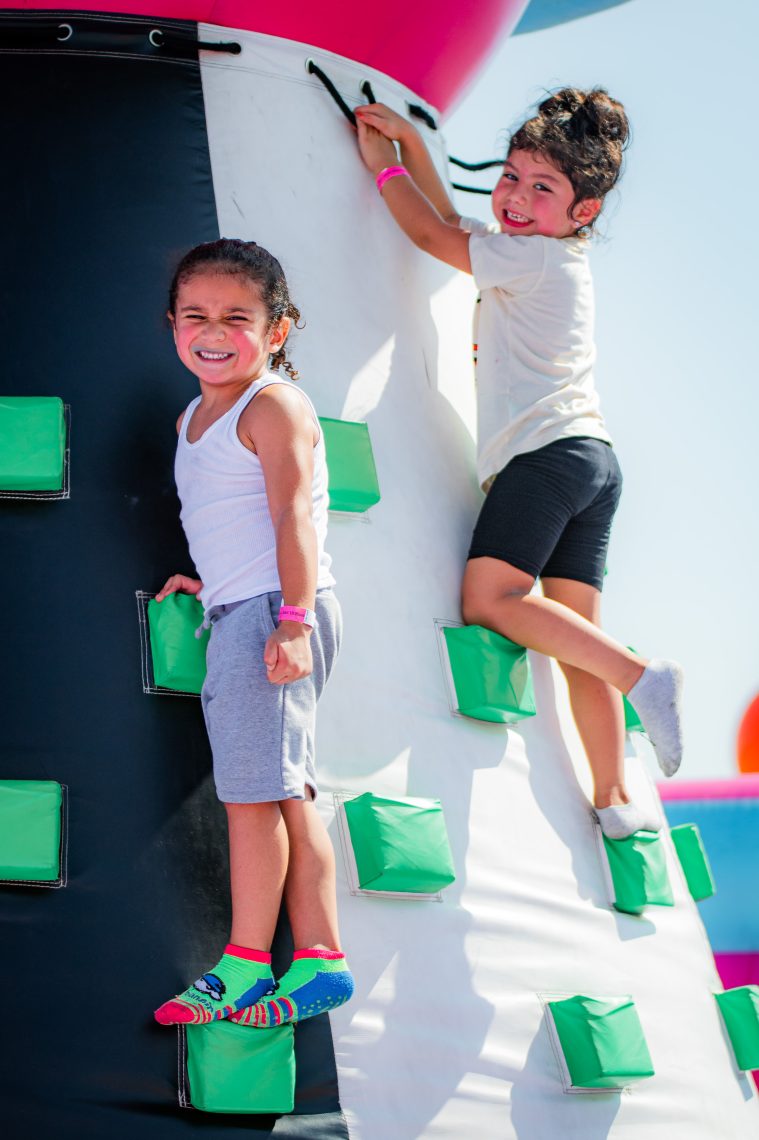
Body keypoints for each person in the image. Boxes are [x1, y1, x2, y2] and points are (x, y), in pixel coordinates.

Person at [354, 89, 683, 840]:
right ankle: (612, 799)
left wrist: (384, 170)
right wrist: (410, 140)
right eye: (510, 176)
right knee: (574, 640)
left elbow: (432, 237)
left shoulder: (528, 259)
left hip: (546, 458)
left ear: (583, 212)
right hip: (591, 459)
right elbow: (455, 223)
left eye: (544, 189)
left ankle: (643, 678)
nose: (516, 197)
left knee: (491, 599)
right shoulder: (540, 255)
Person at [153, 238, 353, 1029]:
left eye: (236, 317)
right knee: (285, 793)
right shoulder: (194, 413)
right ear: (173, 323)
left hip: (279, 609)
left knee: (249, 799)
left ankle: (242, 964)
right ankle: (319, 960)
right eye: (195, 315)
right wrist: (215, 582)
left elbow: (290, 516)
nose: (212, 330)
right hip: (248, 602)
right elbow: (231, 517)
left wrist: (294, 620)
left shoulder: (271, 404)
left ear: (276, 330)